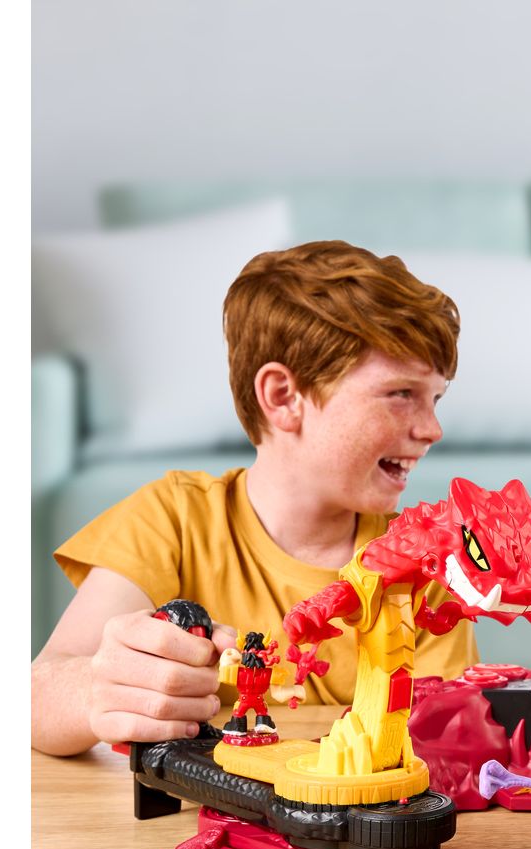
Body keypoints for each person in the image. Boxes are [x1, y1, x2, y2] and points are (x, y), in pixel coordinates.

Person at [31, 240, 478, 756]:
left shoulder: (424, 566)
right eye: (401, 394)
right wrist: (98, 689)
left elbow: (443, 744)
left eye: (435, 398)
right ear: (284, 397)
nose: (432, 429)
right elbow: (36, 695)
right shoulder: (171, 521)